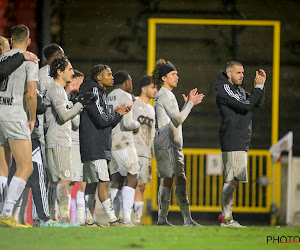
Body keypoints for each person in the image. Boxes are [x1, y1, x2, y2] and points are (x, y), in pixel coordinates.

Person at [151, 59, 204, 226]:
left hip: (160, 139)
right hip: (169, 141)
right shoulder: (166, 94)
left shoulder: (162, 95)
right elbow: (179, 119)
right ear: (164, 78)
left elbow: (171, 119)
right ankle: (187, 220)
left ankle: (161, 219)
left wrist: (185, 104)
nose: (177, 77)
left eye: (177, 74)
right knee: (180, 178)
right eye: (173, 74)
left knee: (166, 178)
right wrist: (190, 104)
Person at [43, 56, 95, 225]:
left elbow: (73, 120)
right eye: (70, 69)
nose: (72, 72)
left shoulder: (59, 90)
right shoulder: (56, 90)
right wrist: (79, 104)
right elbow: (65, 116)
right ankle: (63, 218)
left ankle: (52, 217)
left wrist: (77, 103)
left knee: (55, 180)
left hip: (58, 138)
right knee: (63, 179)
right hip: (58, 139)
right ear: (60, 72)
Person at [213, 61, 266, 228]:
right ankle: (227, 219)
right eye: (238, 73)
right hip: (233, 138)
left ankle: (227, 217)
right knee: (231, 179)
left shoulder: (239, 90)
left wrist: (261, 86)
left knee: (234, 179)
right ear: (229, 74)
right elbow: (246, 105)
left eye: (243, 72)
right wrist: (257, 89)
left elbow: (257, 103)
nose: (242, 75)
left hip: (240, 139)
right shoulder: (225, 89)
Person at [79, 65, 130, 227]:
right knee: (102, 181)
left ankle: (88, 220)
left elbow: (106, 122)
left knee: (92, 182)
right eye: (108, 74)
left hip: (93, 143)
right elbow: (103, 121)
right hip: (95, 145)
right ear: (99, 77)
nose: (112, 77)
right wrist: (117, 115)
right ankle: (112, 219)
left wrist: (117, 115)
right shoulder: (94, 92)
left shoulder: (98, 92)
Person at [0, 24, 38, 228]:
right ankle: (7, 213)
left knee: (2, 168)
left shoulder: (2, 58)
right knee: (26, 166)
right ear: (28, 41)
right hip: (14, 116)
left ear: (12, 40)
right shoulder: (29, 59)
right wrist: (31, 117)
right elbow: (31, 93)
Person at [108, 70, 141, 226]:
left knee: (116, 180)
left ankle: (113, 217)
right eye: (131, 82)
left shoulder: (109, 96)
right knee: (132, 177)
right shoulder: (125, 95)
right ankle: (127, 218)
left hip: (110, 143)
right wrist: (137, 124)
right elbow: (128, 123)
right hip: (123, 142)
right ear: (127, 82)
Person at [37, 44, 64, 221]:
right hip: (43, 129)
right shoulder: (47, 75)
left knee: (51, 175)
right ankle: (43, 216)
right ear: (53, 58)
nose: (63, 58)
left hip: (46, 127)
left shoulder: (43, 73)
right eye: (61, 56)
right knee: (47, 175)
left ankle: (48, 214)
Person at [132, 76, 157, 225]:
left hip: (146, 153)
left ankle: (137, 219)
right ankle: (126, 216)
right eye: (153, 87)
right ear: (144, 89)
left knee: (141, 186)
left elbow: (152, 133)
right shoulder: (134, 103)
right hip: (133, 151)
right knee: (131, 185)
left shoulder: (151, 109)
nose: (155, 90)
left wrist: (152, 154)